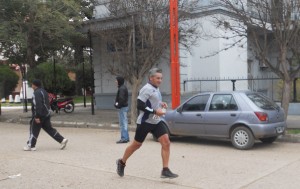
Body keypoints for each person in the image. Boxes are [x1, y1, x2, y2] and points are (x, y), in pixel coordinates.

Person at [116, 68, 178, 178]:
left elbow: (152, 102)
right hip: (145, 122)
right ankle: (121, 162)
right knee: (136, 145)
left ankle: (165, 170)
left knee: (166, 142)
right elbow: (140, 105)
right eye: (158, 78)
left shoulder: (156, 88)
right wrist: (155, 111)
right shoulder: (146, 89)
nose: (160, 80)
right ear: (151, 78)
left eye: (161, 78)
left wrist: (161, 104)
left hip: (156, 121)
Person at [23, 79, 68, 151]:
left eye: (32, 84)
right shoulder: (44, 92)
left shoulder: (36, 93)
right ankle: (62, 140)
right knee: (49, 129)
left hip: (39, 115)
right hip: (46, 114)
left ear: (34, 85)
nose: (31, 86)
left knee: (34, 129)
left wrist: (37, 116)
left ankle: (31, 145)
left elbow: (38, 105)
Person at [114, 76, 129, 143]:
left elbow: (121, 99)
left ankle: (124, 138)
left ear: (119, 81)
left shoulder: (121, 88)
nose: (115, 81)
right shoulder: (122, 87)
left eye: (116, 80)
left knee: (123, 123)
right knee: (124, 122)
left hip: (122, 108)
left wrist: (117, 105)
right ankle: (126, 137)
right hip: (123, 107)